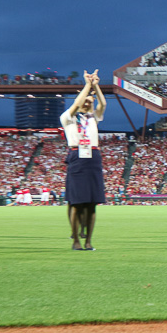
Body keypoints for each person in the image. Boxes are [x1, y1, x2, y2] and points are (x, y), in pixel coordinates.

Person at [60, 69, 107, 250]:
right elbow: (76, 104)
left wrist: (96, 86)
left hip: (93, 156)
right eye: (85, 100)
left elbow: (102, 103)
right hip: (77, 155)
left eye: (90, 100)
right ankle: (76, 241)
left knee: (92, 204)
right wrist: (87, 85)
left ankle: (88, 241)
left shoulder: (93, 117)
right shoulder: (68, 117)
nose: (88, 103)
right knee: (77, 203)